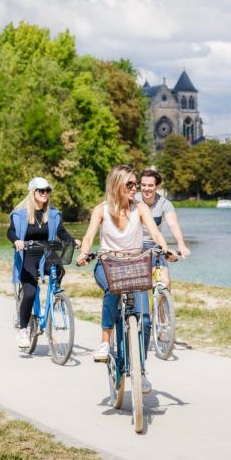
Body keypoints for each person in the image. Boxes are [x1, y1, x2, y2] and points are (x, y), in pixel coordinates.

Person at [77, 165, 172, 394]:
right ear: (116, 185)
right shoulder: (101, 209)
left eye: (135, 184)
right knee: (112, 289)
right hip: (108, 264)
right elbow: (89, 235)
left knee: (146, 320)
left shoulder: (140, 208)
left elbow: (155, 232)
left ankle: (141, 370)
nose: (135, 188)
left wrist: (165, 249)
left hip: (135, 265)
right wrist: (83, 253)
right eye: (130, 184)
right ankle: (105, 343)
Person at [8, 177, 78, 349]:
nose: (45, 193)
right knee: (30, 293)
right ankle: (23, 329)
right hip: (28, 255)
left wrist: (72, 240)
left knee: (59, 270)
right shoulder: (21, 214)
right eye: (41, 190)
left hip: (47, 253)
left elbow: (61, 232)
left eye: (47, 190)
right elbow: (11, 231)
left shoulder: (53, 213)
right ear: (33, 193)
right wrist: (17, 240)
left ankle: (54, 305)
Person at [136, 168, 191, 290]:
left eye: (150, 185)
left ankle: (163, 307)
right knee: (138, 285)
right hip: (134, 245)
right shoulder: (133, 200)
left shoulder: (164, 204)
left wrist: (181, 244)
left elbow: (173, 225)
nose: (146, 189)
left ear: (157, 186)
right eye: (143, 185)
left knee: (164, 282)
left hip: (154, 246)